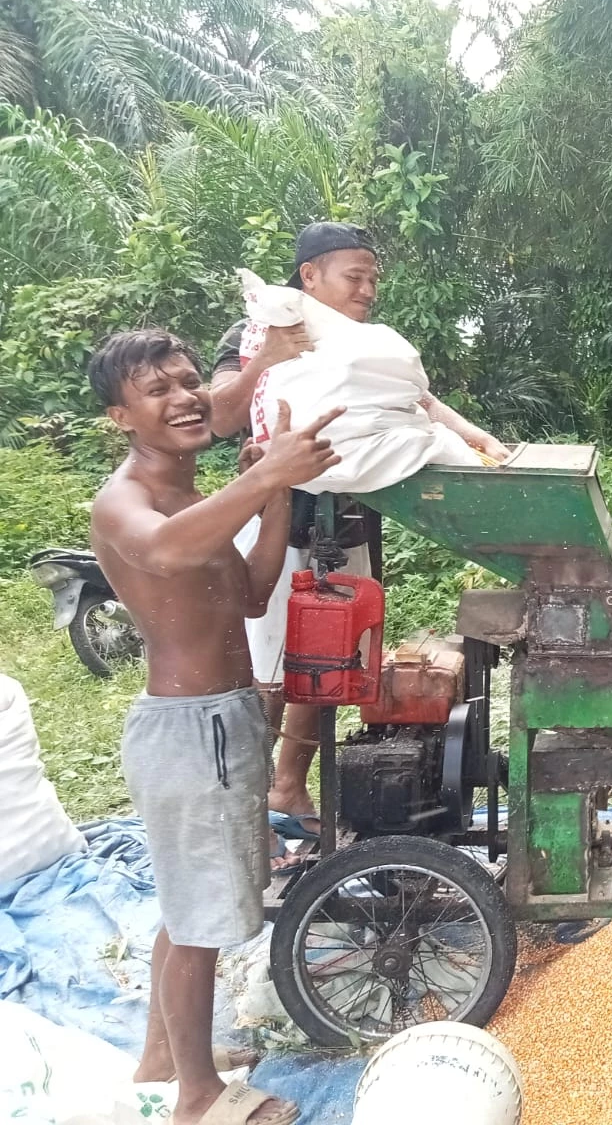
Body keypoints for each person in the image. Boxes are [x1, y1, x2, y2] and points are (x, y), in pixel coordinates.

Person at [89, 328, 343, 1125]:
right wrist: (267, 472)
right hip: (186, 729)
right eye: (157, 389)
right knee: (200, 923)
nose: (185, 397)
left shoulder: (198, 499)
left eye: (190, 380)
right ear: (120, 417)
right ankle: (197, 1097)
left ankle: (163, 1055)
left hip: (227, 717)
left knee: (190, 908)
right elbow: (163, 554)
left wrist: (272, 496)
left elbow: (252, 594)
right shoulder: (124, 500)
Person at [210, 222, 510, 850]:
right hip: (277, 517)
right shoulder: (254, 333)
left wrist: (476, 438)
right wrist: (267, 355)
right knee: (264, 670)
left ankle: (289, 784)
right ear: (310, 275)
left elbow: (416, 402)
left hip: (348, 515)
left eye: (374, 277)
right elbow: (222, 416)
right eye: (355, 276)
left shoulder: (364, 344)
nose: (368, 289)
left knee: (330, 658)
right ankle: (243, 815)